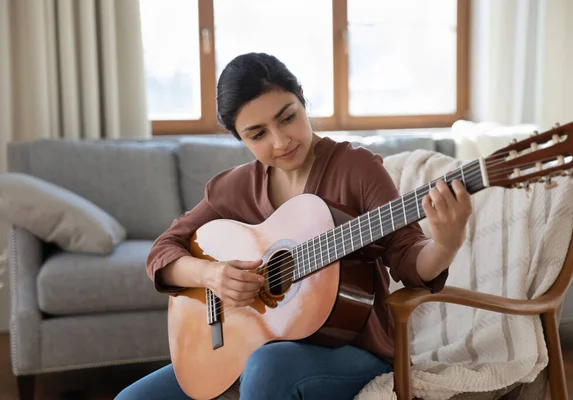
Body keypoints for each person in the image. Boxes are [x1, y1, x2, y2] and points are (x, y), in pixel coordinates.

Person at [115, 52, 472, 400]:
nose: (281, 141)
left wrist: (445, 245)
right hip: (256, 346)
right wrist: (212, 275)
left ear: (302, 98)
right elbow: (163, 251)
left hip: (351, 349)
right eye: (258, 135)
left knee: (266, 367)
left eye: (287, 117)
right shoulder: (237, 187)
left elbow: (407, 254)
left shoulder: (356, 168)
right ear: (240, 139)